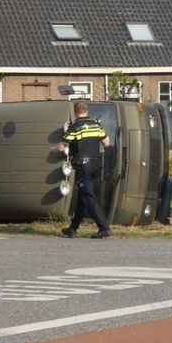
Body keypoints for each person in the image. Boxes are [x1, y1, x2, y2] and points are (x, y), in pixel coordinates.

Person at [54, 101, 112, 239]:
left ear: (76, 112)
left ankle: (103, 228)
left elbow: (62, 147)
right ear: (87, 111)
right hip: (96, 165)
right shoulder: (96, 125)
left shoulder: (76, 127)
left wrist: (52, 150)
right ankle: (73, 228)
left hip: (83, 166)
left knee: (88, 197)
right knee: (83, 195)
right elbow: (107, 142)